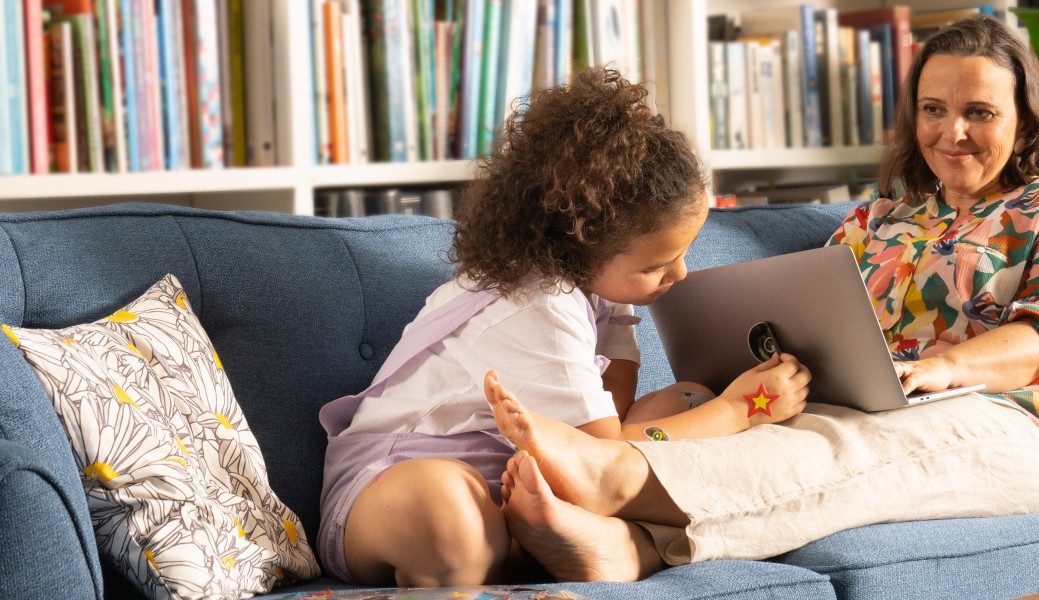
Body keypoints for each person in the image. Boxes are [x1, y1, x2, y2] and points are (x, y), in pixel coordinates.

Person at [488, 15, 1039, 580]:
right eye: (933, 109)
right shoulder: (876, 221)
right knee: (768, 425)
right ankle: (626, 551)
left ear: (1024, 119)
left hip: (1025, 426)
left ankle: (617, 473)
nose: (951, 131)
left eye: (980, 113)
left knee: (850, 448)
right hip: (863, 410)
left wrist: (943, 367)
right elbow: (810, 317)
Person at [317, 68, 814, 588]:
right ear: (581, 242)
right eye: (656, 265)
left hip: (524, 478)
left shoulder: (598, 289)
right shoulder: (540, 304)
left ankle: (535, 539)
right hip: (394, 481)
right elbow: (601, 457)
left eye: (683, 254)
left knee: (686, 399)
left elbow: (612, 420)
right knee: (452, 520)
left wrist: (705, 409)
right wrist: (739, 409)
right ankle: (531, 545)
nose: (680, 275)